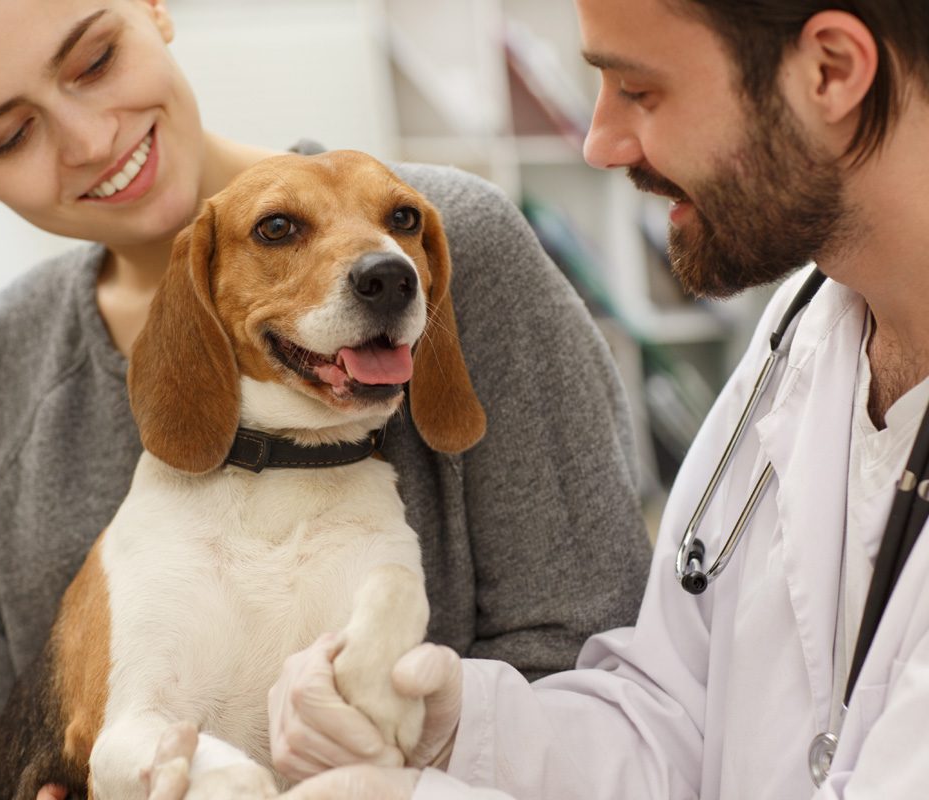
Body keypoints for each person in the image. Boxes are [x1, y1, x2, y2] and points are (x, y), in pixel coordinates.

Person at [0, 0, 653, 797]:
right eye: (10, 136)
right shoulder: (5, 355)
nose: (93, 140)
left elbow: (599, 666)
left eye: (95, 61)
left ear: (154, 8)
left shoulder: (459, 241)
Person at [257, 0, 929, 798]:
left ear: (832, 70)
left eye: (639, 91)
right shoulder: (804, 333)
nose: (600, 142)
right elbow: (672, 724)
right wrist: (462, 730)